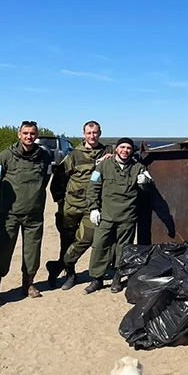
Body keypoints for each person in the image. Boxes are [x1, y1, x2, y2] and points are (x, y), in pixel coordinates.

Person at [0, 120, 53, 304]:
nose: (29, 137)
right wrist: (8, 199)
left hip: (34, 213)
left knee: (32, 251)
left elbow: (45, 178)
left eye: (32, 133)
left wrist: (34, 197)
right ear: (19, 134)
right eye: (25, 133)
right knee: (1, 249)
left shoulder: (44, 157)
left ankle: (28, 284)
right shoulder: (5, 156)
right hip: (8, 213)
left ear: (36, 135)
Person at [46, 121, 114, 290]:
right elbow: (59, 179)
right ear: (84, 134)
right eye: (89, 133)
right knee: (67, 241)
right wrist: (61, 202)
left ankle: (57, 266)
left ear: (100, 133)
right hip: (72, 206)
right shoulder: (74, 155)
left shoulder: (107, 151)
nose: (92, 136)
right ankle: (70, 274)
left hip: (93, 207)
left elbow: (127, 153)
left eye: (95, 133)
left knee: (86, 238)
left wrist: (113, 158)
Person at [85, 137, 153, 294]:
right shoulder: (103, 166)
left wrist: (146, 182)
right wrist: (94, 208)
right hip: (106, 216)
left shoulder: (138, 167)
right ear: (116, 149)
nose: (125, 150)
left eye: (128, 148)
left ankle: (117, 278)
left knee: (123, 250)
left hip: (127, 217)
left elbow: (148, 189)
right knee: (100, 246)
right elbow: (93, 187)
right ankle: (97, 279)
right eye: (122, 147)